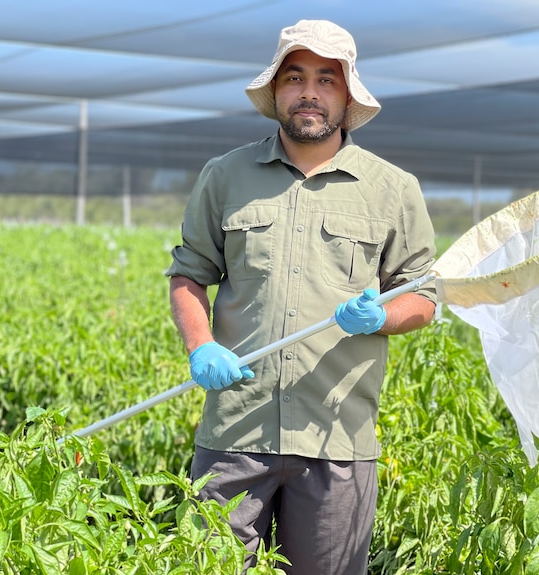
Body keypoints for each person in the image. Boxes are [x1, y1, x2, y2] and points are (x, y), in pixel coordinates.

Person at [166, 19, 436, 575]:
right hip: (236, 431)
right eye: (295, 77)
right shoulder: (226, 176)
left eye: (326, 79)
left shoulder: (392, 188)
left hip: (337, 437)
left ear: (346, 94)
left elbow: (425, 296)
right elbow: (189, 275)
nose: (309, 92)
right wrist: (200, 347)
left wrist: (380, 317)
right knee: (206, 566)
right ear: (276, 91)